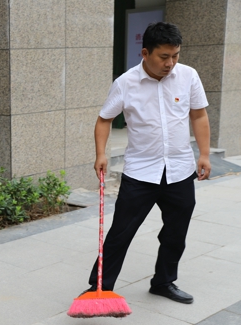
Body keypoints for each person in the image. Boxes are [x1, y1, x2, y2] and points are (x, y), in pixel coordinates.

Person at [81, 22, 211, 304]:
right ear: (145, 53)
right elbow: (104, 119)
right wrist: (101, 153)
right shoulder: (126, 83)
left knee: (175, 234)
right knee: (120, 233)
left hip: (179, 170)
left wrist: (204, 153)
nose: (170, 63)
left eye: (175, 55)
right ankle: (99, 288)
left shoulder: (188, 76)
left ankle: (164, 282)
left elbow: (199, 115)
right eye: (164, 56)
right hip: (141, 172)